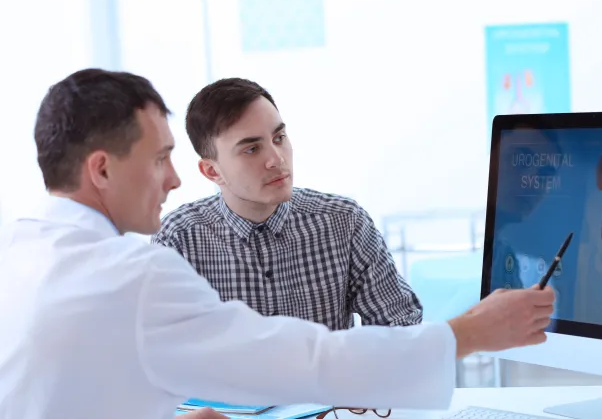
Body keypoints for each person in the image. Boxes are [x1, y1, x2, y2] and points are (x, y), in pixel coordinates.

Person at [0, 68, 555, 419]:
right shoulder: (138, 271)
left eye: (281, 137)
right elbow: (303, 361)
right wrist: (472, 331)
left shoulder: (18, 256)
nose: (170, 181)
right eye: (158, 160)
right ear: (101, 169)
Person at [151, 78, 420, 331]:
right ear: (212, 171)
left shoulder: (344, 222)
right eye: (252, 149)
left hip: (328, 382)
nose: (276, 159)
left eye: (279, 138)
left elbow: (399, 328)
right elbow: (164, 351)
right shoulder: (179, 240)